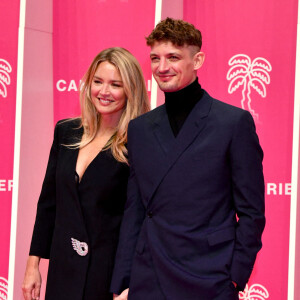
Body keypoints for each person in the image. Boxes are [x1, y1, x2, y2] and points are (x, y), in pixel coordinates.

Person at [111, 18, 265, 300]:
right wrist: (122, 281)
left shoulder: (232, 123)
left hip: (209, 274)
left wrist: (235, 277)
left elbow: (252, 212)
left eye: (173, 57)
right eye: (155, 58)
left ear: (198, 60)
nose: (162, 67)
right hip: (149, 274)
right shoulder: (140, 128)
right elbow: (134, 210)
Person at [22, 47, 150, 300]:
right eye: (98, 81)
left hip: (107, 274)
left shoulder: (138, 144)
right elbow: (48, 203)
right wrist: (32, 265)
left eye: (115, 84)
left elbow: (140, 219)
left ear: (131, 90)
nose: (104, 91)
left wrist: (128, 283)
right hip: (62, 268)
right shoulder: (66, 131)